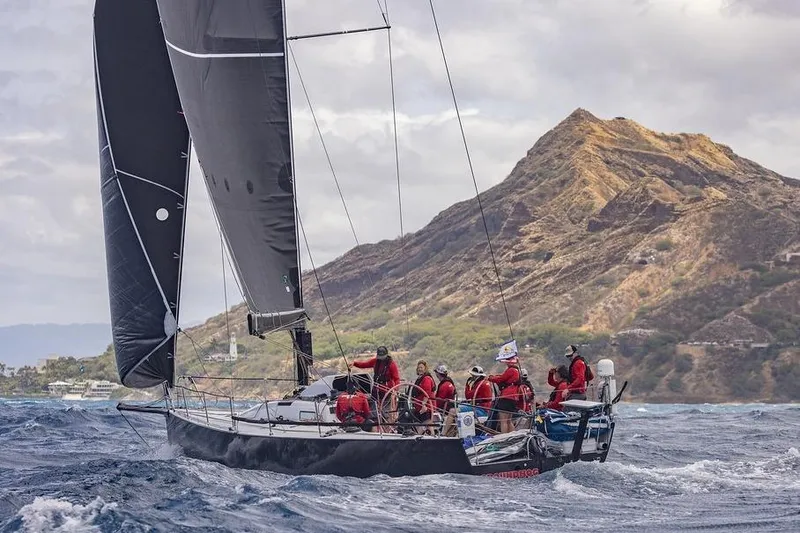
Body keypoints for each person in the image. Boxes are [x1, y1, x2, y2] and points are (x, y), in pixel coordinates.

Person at [353, 346, 400, 423]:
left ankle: (387, 424)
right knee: (374, 407)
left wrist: (395, 390)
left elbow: (396, 378)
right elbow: (364, 365)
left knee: (386, 409)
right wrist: (354, 363)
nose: (381, 358)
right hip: (376, 388)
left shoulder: (391, 364)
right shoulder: (375, 361)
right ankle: (375, 423)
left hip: (387, 390)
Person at [488, 349, 521, 434]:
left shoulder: (511, 370)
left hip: (506, 397)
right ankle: (512, 436)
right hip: (513, 398)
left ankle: (504, 436)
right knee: (509, 420)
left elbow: (501, 379)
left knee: (503, 421)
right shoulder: (517, 371)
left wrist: (491, 378)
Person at [410, 360, 435, 434]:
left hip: (426, 406)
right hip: (418, 406)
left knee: (427, 422)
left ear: (425, 368)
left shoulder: (426, 378)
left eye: (421, 367)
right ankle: (430, 436)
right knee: (424, 424)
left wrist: (424, 404)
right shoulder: (420, 378)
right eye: (418, 368)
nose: (419, 369)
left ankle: (419, 436)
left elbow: (427, 392)